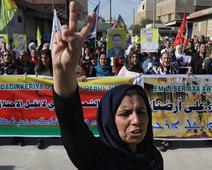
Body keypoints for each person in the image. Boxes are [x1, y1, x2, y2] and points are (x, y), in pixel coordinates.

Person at [51, 2, 163, 169]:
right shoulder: (96, 156)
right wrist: (62, 70)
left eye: (141, 111)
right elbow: (71, 122)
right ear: (109, 120)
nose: (136, 120)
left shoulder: (154, 157)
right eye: (125, 113)